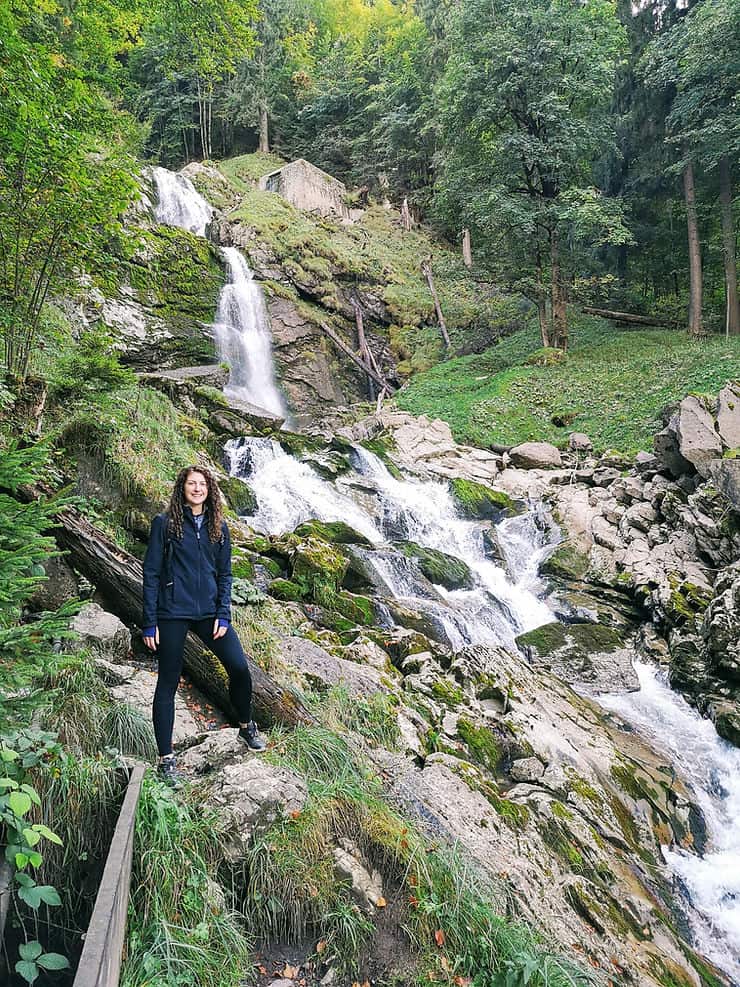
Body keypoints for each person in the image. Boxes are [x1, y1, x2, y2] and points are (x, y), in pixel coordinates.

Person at [142, 465, 265, 786]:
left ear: (209, 490)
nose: (197, 489)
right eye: (191, 483)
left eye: (202, 484)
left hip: (210, 612)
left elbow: (225, 575)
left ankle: (246, 724)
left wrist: (224, 614)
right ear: (182, 488)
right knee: (168, 682)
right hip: (172, 612)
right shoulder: (164, 524)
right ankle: (166, 758)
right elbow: (151, 573)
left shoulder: (218, 527)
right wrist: (149, 622)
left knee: (239, 668)